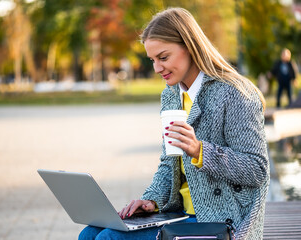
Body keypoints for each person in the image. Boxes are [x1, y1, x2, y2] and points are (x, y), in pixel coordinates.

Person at [79, 7, 269, 240]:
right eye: (152, 60)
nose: (157, 68)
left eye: (164, 57)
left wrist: (200, 151)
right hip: (181, 215)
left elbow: (257, 169)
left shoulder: (236, 93)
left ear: (189, 47)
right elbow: (169, 166)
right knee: (89, 233)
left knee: (109, 238)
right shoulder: (171, 95)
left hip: (221, 220)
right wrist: (152, 200)